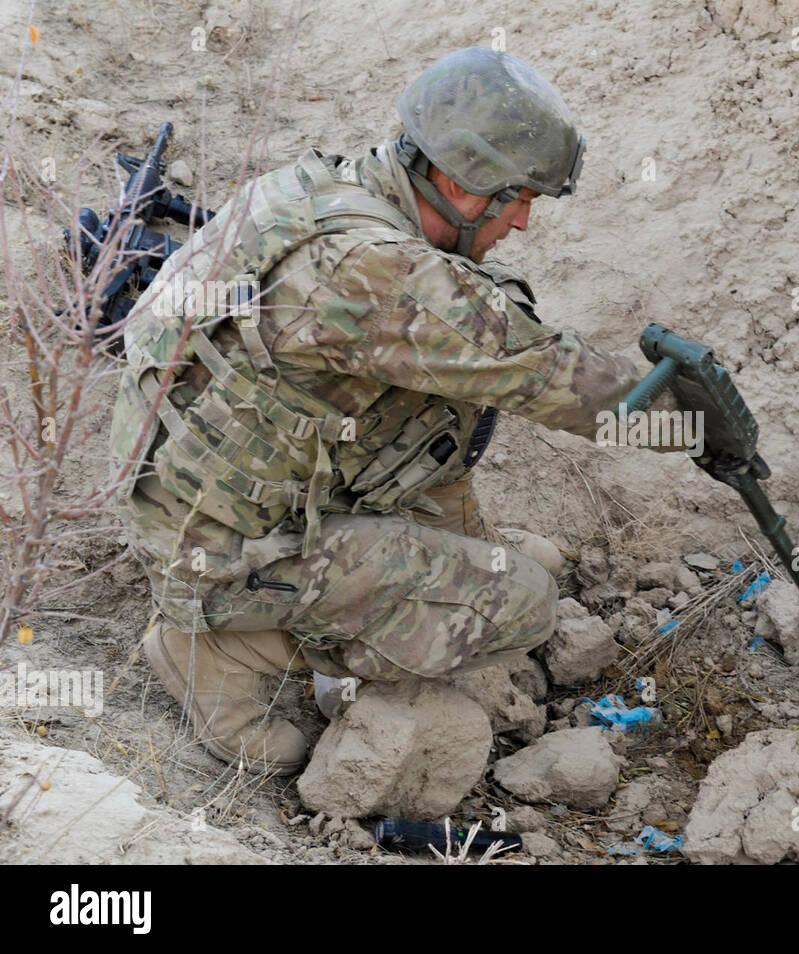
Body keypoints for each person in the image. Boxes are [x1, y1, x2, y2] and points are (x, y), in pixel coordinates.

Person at [108, 47, 684, 775]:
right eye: (519, 197)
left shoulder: (318, 187)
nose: (526, 222)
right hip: (221, 555)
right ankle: (221, 646)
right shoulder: (375, 270)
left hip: (185, 492)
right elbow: (550, 377)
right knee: (526, 604)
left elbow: (473, 347)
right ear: (460, 183)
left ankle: (401, 571)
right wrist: (691, 423)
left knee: (457, 374)